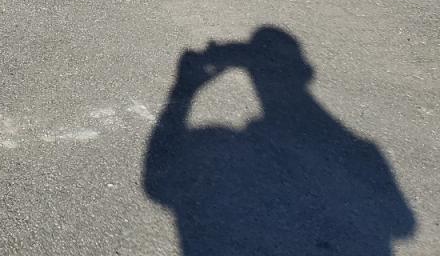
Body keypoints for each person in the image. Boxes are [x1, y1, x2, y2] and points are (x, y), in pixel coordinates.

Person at [143, 26, 415, 256]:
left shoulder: (364, 153)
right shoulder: (364, 153)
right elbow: (403, 224)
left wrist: (184, 87)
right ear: (305, 71)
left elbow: (157, 185)